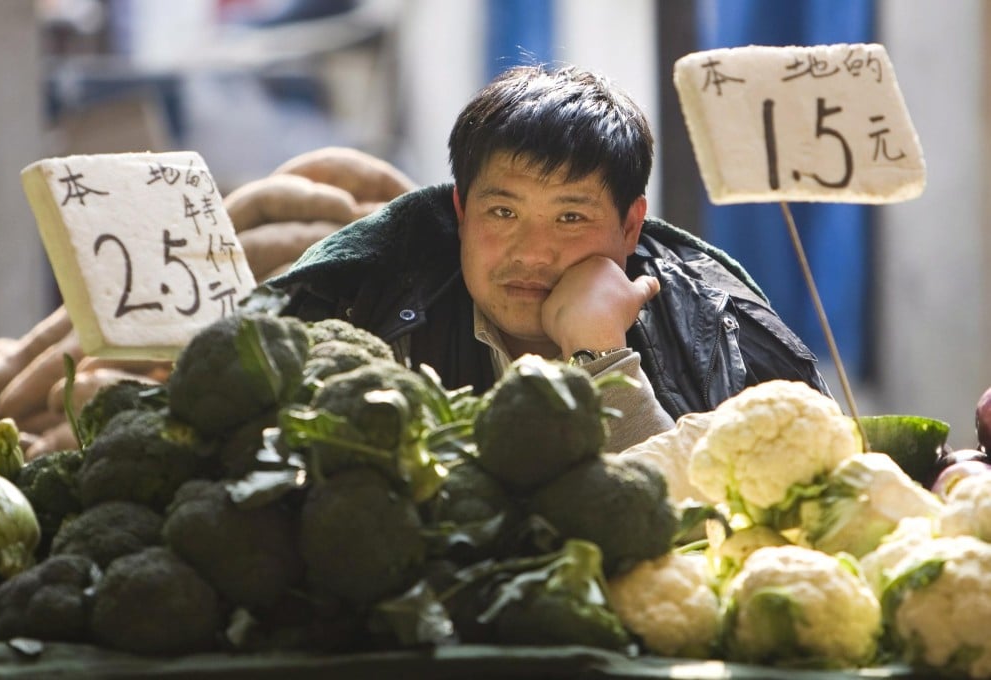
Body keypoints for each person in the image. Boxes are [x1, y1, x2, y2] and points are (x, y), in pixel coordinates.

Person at [268, 63, 830, 453]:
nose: (532, 252)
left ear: (630, 225)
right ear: (461, 211)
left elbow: (691, 530)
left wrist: (604, 358)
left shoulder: (713, 325)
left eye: (570, 217)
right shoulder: (363, 311)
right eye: (503, 213)